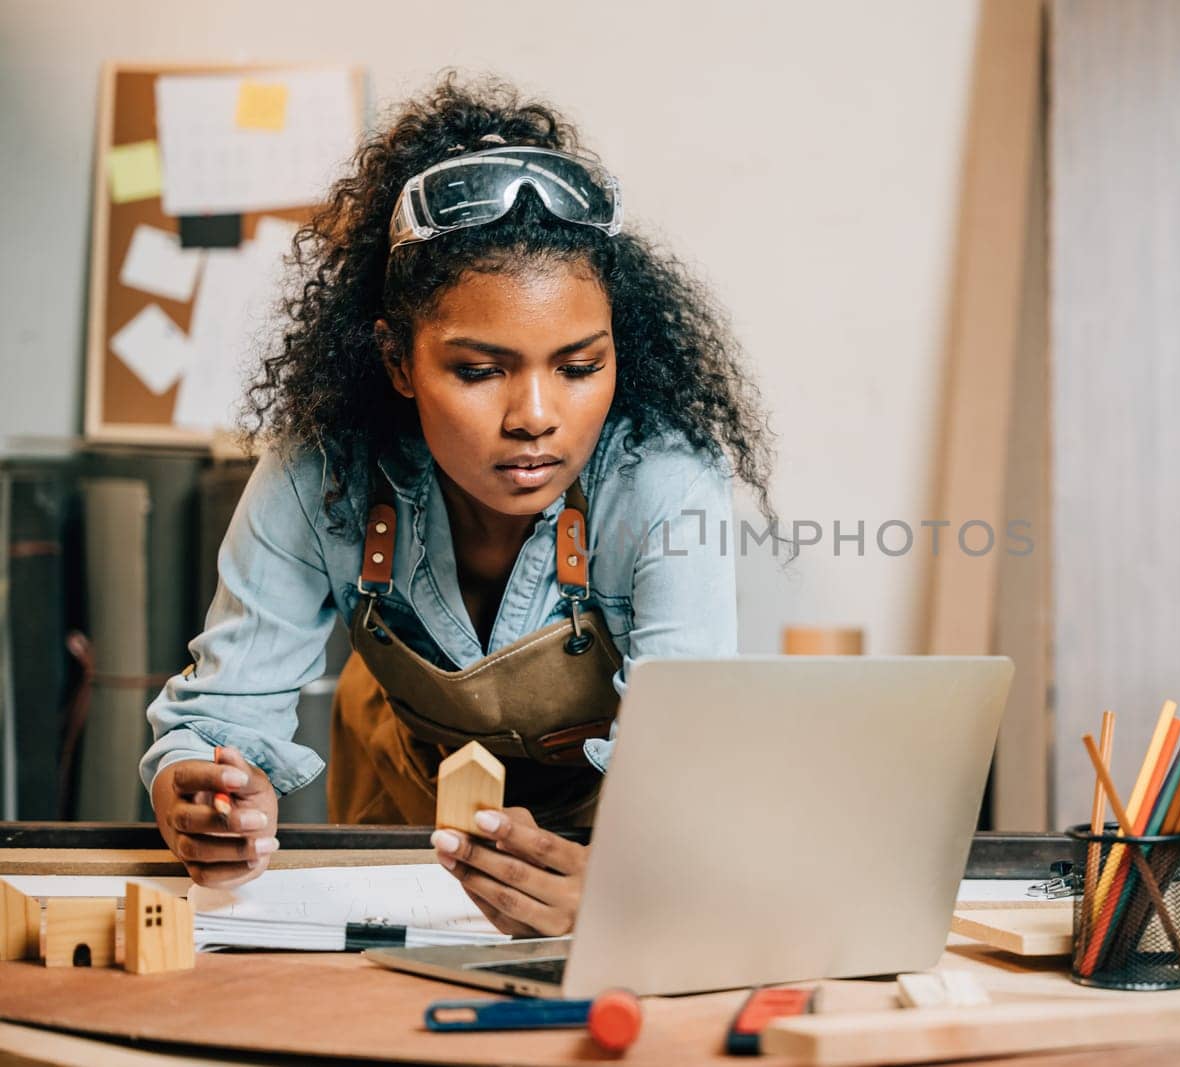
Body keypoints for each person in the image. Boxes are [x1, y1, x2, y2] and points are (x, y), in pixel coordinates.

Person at [139, 75, 777, 936]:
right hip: (400, 820)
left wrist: (629, 888)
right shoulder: (322, 471)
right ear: (397, 360)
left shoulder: (661, 478)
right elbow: (221, 716)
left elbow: (690, 760)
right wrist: (203, 790)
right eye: (480, 371)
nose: (537, 417)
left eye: (581, 366)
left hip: (611, 840)